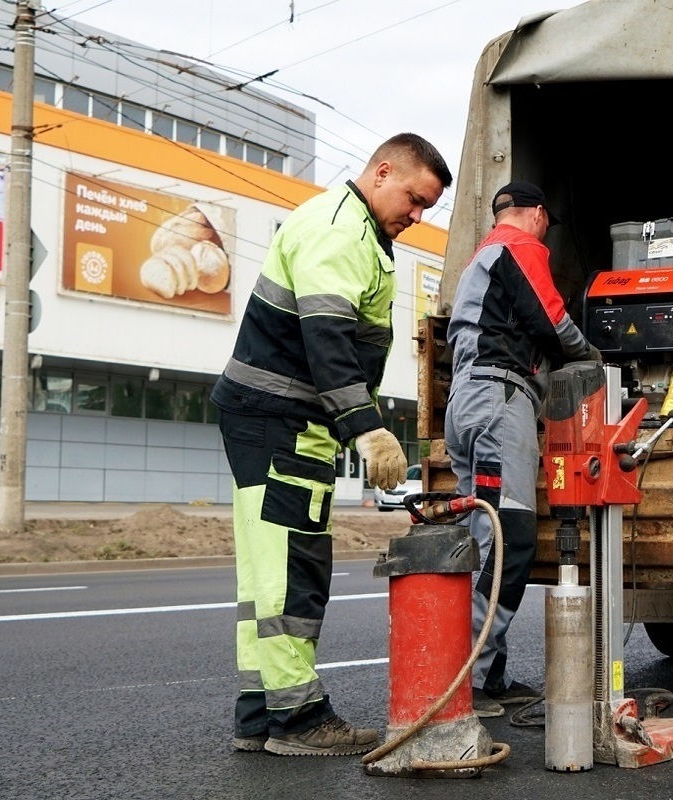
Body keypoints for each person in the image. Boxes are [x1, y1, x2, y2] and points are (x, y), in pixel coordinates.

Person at [210, 132, 452, 757]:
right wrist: (366, 428)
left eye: (427, 207)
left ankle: (260, 714)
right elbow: (327, 340)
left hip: (282, 420)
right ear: (382, 172)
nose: (418, 215)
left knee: (270, 574)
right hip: (277, 421)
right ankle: (297, 720)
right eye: (414, 198)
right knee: (292, 570)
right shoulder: (340, 230)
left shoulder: (359, 232)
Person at [443, 181, 601, 718]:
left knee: (483, 535)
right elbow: (550, 320)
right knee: (510, 536)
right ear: (536, 214)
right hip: (499, 400)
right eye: (547, 225)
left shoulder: (478, 258)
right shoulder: (521, 246)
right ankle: (474, 678)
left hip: (468, 401)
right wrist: (593, 357)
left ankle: (484, 672)